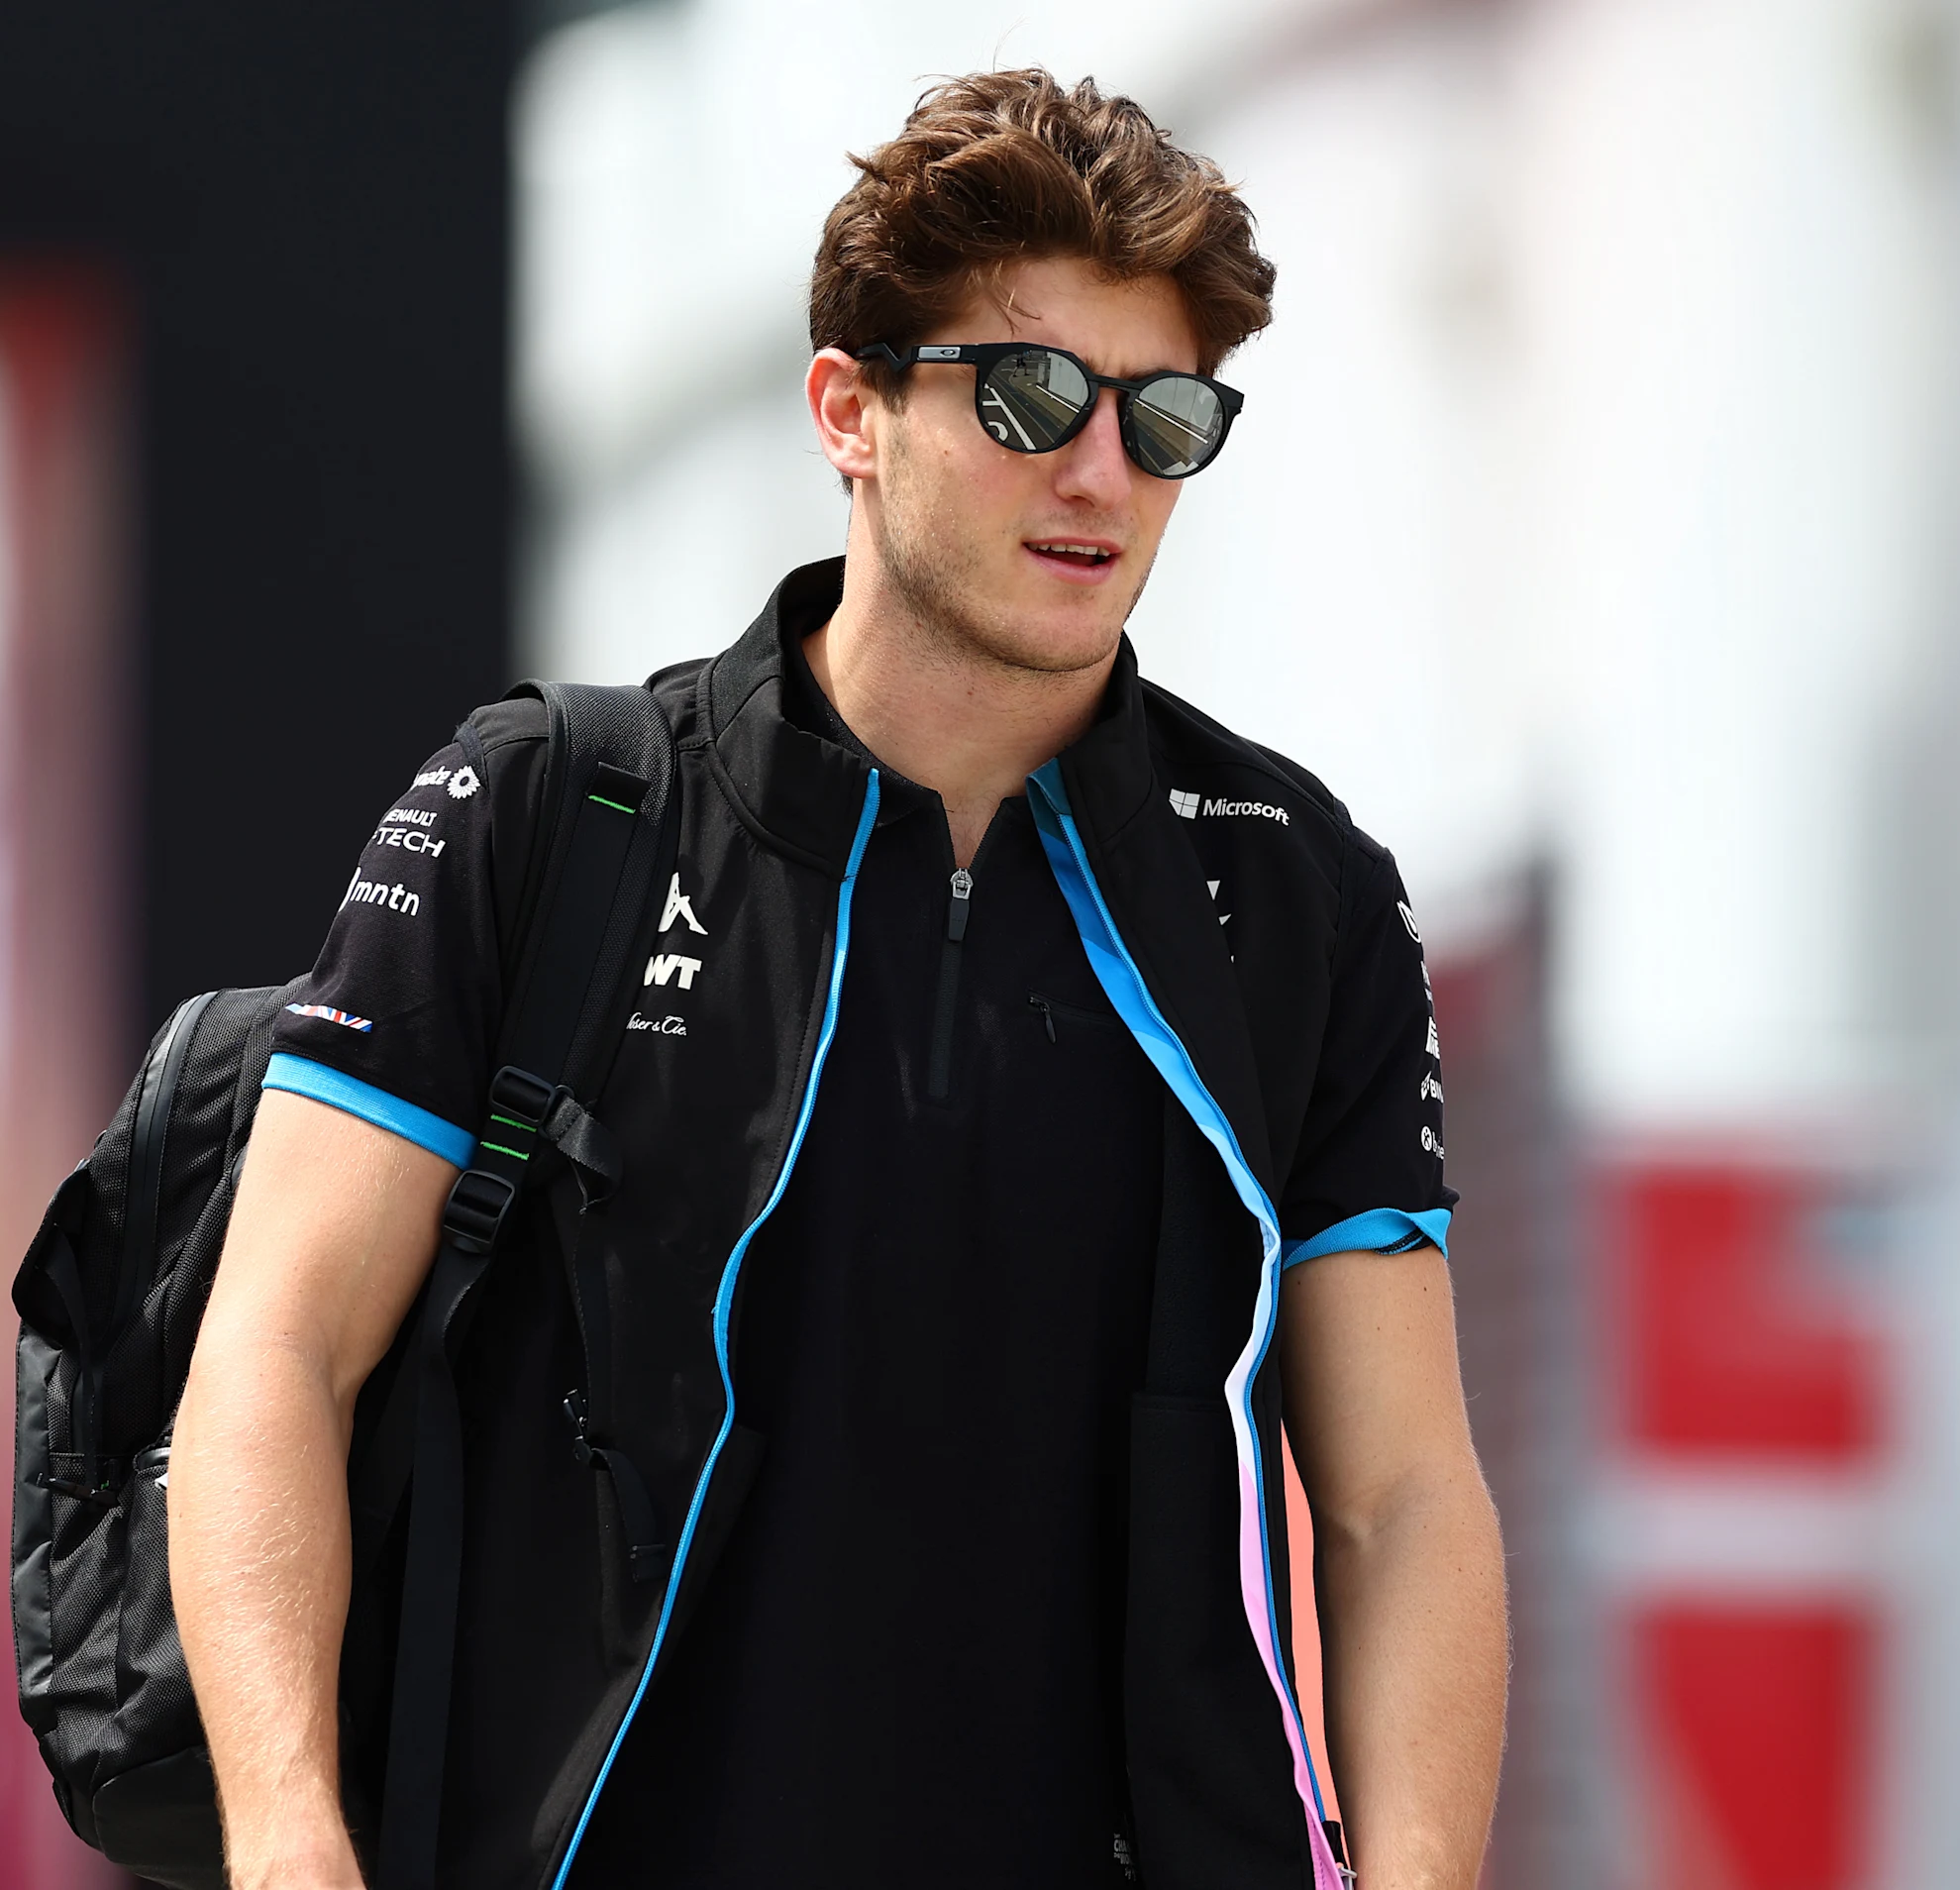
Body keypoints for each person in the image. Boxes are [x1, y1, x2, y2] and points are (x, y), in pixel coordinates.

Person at [168, 70, 1505, 1890]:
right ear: (848, 410)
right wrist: (287, 1836)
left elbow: (1402, 1491)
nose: (1101, 470)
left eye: (1167, 417)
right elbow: (277, 1349)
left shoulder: (1292, 887)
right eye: (1029, 395)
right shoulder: (547, 807)